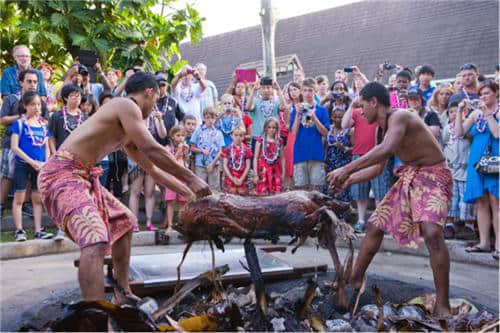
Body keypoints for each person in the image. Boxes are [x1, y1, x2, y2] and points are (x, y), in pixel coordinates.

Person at [38, 71, 210, 304]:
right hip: (62, 174)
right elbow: (153, 149)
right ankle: (95, 315)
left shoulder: (128, 130)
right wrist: (192, 179)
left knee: (125, 220)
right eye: (157, 99)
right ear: (149, 92)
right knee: (95, 238)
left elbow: (154, 170)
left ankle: (123, 291)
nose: (156, 106)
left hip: (83, 177)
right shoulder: (126, 105)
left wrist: (191, 195)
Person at [328, 82, 453, 316]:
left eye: (362, 105)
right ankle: (354, 279)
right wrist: (349, 179)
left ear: (374, 102)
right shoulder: (380, 128)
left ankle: (443, 305)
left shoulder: (401, 116)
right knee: (375, 225)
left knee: (433, 233)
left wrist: (346, 169)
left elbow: (387, 149)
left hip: (435, 174)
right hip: (411, 176)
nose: (360, 111)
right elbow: (377, 168)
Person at [455, 80, 499, 259]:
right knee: (481, 202)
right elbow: (459, 133)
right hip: (477, 160)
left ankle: (498, 245)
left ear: (496, 93)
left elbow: (496, 133)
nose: (483, 97)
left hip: (496, 158)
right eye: (481, 94)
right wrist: (459, 111)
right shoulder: (475, 114)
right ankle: (484, 243)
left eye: (487, 93)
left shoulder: (493, 112)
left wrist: (488, 113)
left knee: (496, 202)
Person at [0, 69, 48, 221]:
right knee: (8, 175)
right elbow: (2, 120)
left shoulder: (41, 101)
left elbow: (46, 121)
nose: (32, 84)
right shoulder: (12, 99)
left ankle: (27, 204)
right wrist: (22, 117)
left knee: (29, 174)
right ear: (21, 82)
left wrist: (35, 119)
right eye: (29, 81)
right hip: (12, 143)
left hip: (34, 145)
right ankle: (1, 205)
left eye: (35, 81)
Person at [10, 91, 53, 241]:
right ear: (25, 106)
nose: (36, 107)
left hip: (40, 167)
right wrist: (31, 162)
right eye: (32, 104)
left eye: (38, 104)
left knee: (37, 198)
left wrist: (45, 163)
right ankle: (19, 230)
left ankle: (38, 230)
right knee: (19, 198)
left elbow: (47, 146)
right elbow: (14, 147)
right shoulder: (19, 124)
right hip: (23, 165)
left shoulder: (43, 125)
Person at [128, 101, 167, 231]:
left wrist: (160, 120)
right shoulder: (133, 119)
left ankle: (149, 222)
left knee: (150, 192)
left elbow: (163, 135)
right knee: (135, 191)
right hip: (136, 158)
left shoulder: (153, 119)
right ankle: (134, 223)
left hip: (150, 159)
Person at [442, 101, 476, 240]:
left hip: (465, 168)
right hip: (451, 168)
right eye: (451, 112)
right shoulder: (446, 129)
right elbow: (445, 145)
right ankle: (449, 224)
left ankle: (469, 225)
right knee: (451, 197)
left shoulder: (469, 127)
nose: (454, 114)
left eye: (458, 112)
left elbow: (467, 138)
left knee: (466, 198)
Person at [290, 78, 330, 191]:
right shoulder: (296, 110)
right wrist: (298, 115)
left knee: (316, 190)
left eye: (310, 90)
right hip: (300, 154)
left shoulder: (322, 110)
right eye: (305, 90)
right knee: (301, 192)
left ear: (315, 91)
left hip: (316, 155)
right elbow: (294, 132)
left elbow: (325, 133)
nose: (307, 93)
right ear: (301, 92)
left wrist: (314, 117)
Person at [162, 126, 190, 240]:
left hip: (182, 176)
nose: (180, 138)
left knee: (183, 202)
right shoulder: (168, 148)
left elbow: (187, 162)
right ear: (173, 136)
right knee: (171, 202)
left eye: (182, 136)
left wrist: (186, 153)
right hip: (172, 177)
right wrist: (179, 151)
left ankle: (181, 225)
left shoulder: (184, 147)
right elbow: (171, 161)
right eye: (178, 135)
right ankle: (169, 225)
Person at [246, 77, 286, 152]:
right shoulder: (255, 101)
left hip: (273, 138)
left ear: (272, 89)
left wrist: (278, 90)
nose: (266, 90)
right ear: (259, 89)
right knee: (257, 161)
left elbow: (284, 107)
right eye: (263, 88)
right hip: (258, 138)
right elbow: (248, 107)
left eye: (268, 87)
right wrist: (253, 90)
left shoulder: (276, 101)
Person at [190, 107, 225, 191]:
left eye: (212, 118)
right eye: (208, 118)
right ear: (204, 118)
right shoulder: (198, 131)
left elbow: (220, 151)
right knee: (201, 188)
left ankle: (214, 204)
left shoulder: (218, 133)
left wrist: (212, 164)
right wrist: (202, 150)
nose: (210, 120)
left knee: (214, 188)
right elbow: (192, 147)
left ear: (216, 118)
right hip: (200, 165)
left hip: (214, 165)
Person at [325, 107, 353, 204]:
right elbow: (326, 147)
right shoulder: (330, 129)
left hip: (344, 164)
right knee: (331, 190)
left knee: (343, 190)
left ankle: (344, 215)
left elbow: (354, 149)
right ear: (331, 117)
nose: (338, 119)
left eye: (340, 117)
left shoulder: (349, 131)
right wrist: (325, 162)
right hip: (331, 164)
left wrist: (344, 148)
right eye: (335, 117)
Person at [253, 117, 284, 195]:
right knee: (263, 193)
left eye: (274, 127)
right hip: (263, 171)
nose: (271, 129)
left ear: (277, 129)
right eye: (269, 127)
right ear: (265, 128)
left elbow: (282, 158)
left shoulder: (279, 141)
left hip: (275, 170)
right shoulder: (260, 141)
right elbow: (255, 158)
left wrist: (283, 173)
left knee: (276, 193)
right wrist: (255, 174)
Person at [222, 126, 252, 195]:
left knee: (242, 193)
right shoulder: (228, 149)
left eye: (240, 135)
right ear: (232, 136)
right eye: (236, 135)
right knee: (231, 193)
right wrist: (232, 178)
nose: (238, 137)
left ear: (243, 137)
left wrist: (241, 179)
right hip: (231, 177)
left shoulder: (246, 149)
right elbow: (225, 165)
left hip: (242, 177)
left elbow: (248, 166)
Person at [155, 74, 184, 145]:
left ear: (167, 86)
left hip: (170, 141)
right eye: (159, 85)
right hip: (154, 139)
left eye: (163, 85)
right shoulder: (150, 101)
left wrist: (179, 135)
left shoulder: (173, 101)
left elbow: (181, 119)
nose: (161, 88)